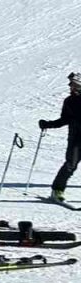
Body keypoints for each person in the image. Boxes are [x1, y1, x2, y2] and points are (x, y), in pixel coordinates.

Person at [40, 72, 81, 201]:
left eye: (74, 85)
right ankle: (57, 190)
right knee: (70, 165)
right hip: (76, 138)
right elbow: (64, 120)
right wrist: (48, 124)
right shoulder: (69, 101)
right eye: (71, 85)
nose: (71, 87)